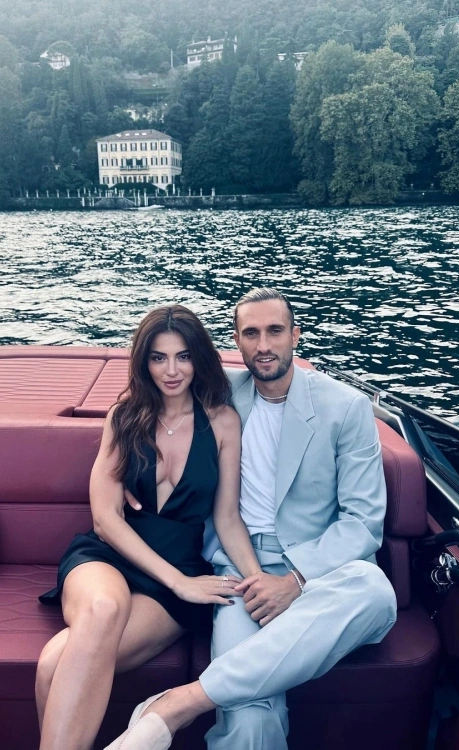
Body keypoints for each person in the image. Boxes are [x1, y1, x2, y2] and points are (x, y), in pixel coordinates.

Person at [105, 288, 398, 750]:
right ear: (236, 342)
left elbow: (363, 523)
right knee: (247, 721)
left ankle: (180, 702)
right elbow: (146, 400)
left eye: (275, 331)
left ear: (295, 335)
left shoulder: (346, 407)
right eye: (251, 334)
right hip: (238, 571)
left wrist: (295, 580)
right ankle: (210, 697)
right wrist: (129, 474)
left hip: (319, 572)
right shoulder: (217, 392)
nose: (264, 345)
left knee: (374, 589)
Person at [35, 305, 262, 750]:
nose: (171, 371)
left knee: (53, 663)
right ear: (144, 361)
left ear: (199, 358)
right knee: (103, 608)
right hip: (109, 556)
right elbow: (105, 518)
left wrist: (258, 581)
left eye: (183, 356)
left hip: (175, 574)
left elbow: (227, 518)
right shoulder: (125, 416)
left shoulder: (222, 422)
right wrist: (179, 582)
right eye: (159, 358)